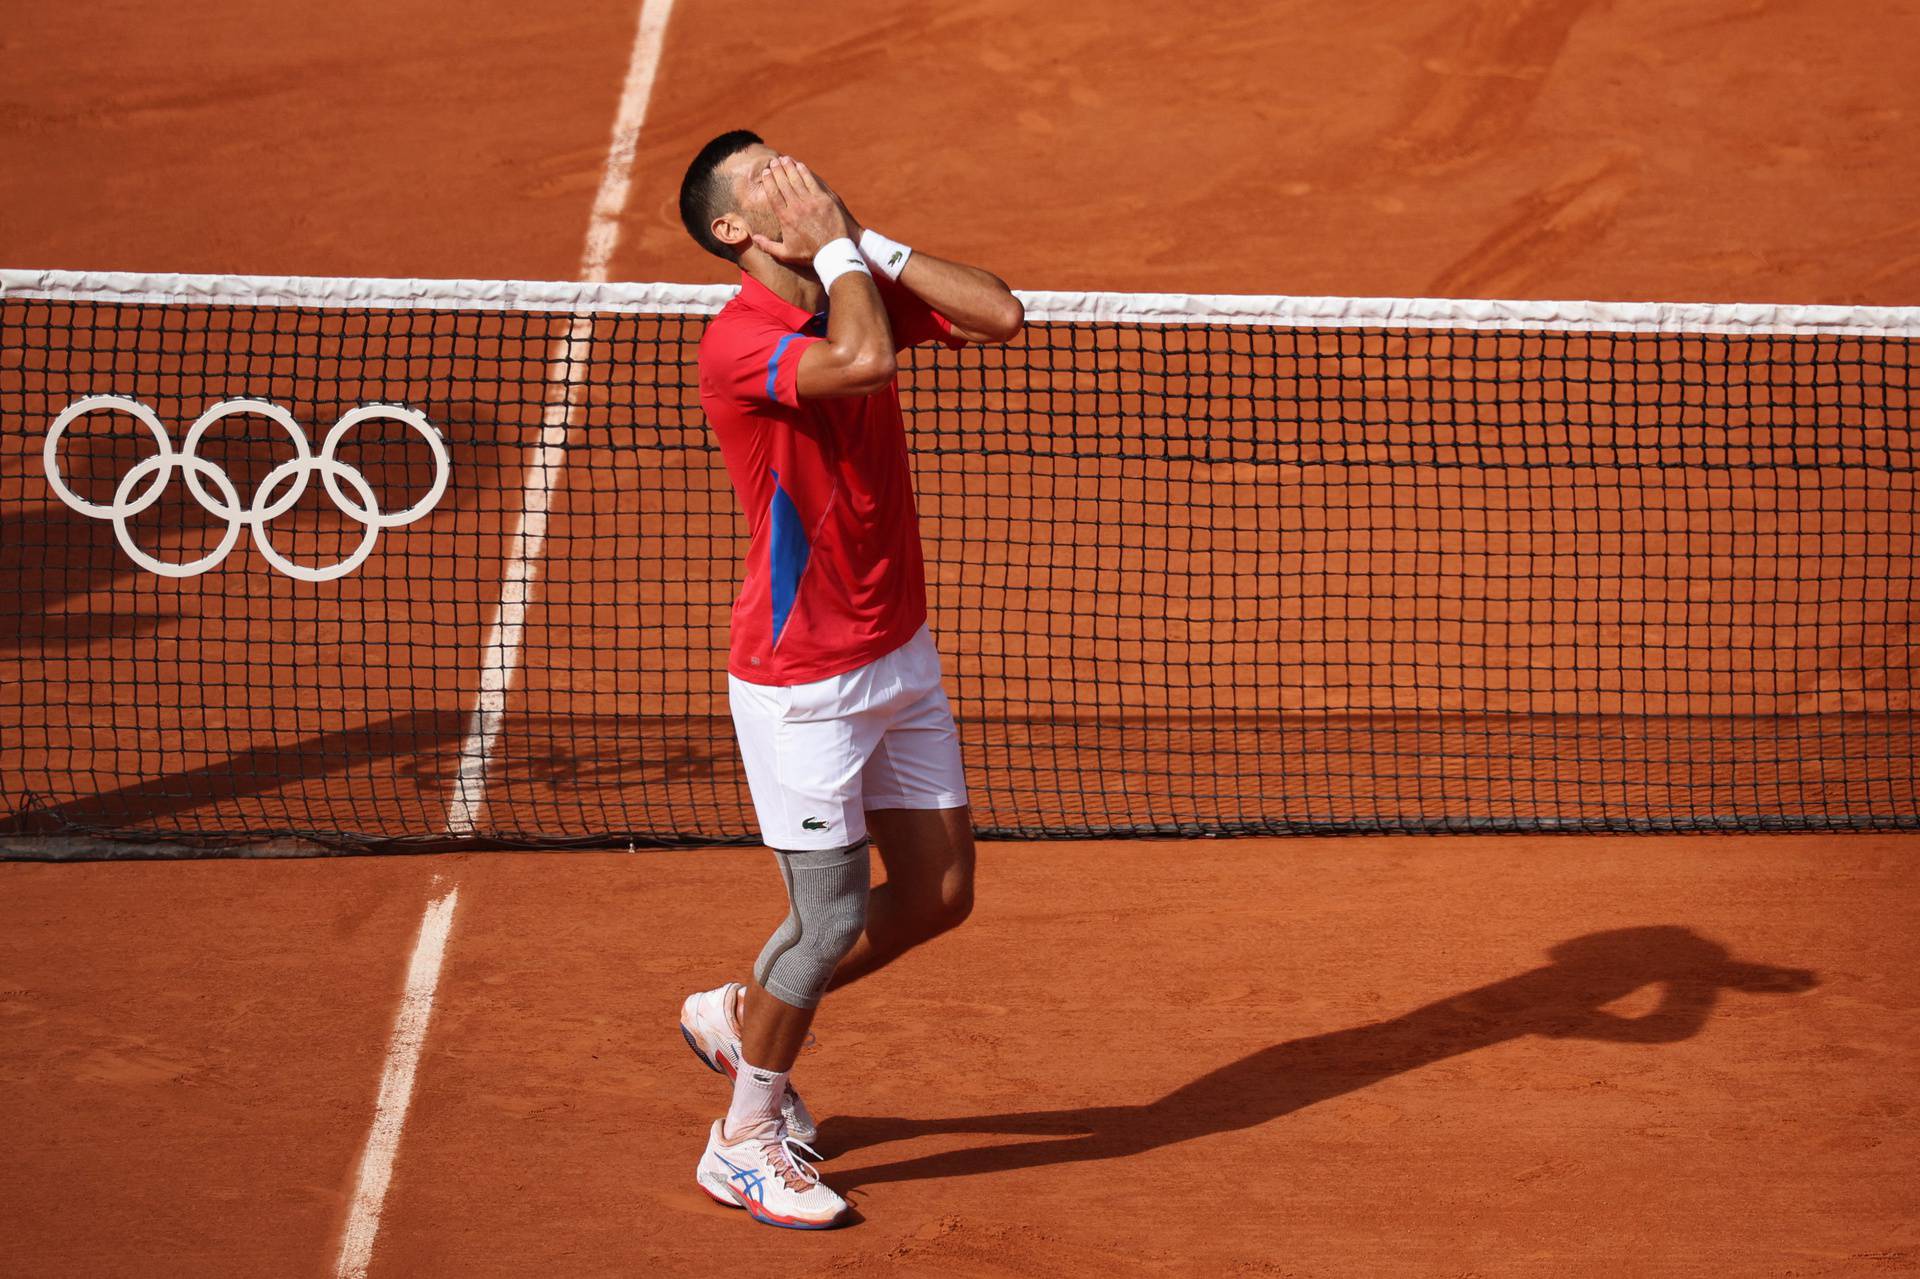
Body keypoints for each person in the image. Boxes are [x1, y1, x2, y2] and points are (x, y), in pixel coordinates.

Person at [672, 129, 1023, 1229]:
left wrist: (858, 238)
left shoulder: (846, 282)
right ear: (733, 231)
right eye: (770, 183)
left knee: (939, 897)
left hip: (899, 655)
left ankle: (740, 1012)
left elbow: (997, 313)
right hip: (802, 681)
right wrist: (834, 257)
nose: (802, 183)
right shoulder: (742, 341)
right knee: (822, 926)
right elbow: (866, 360)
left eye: (804, 171)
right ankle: (743, 1141)